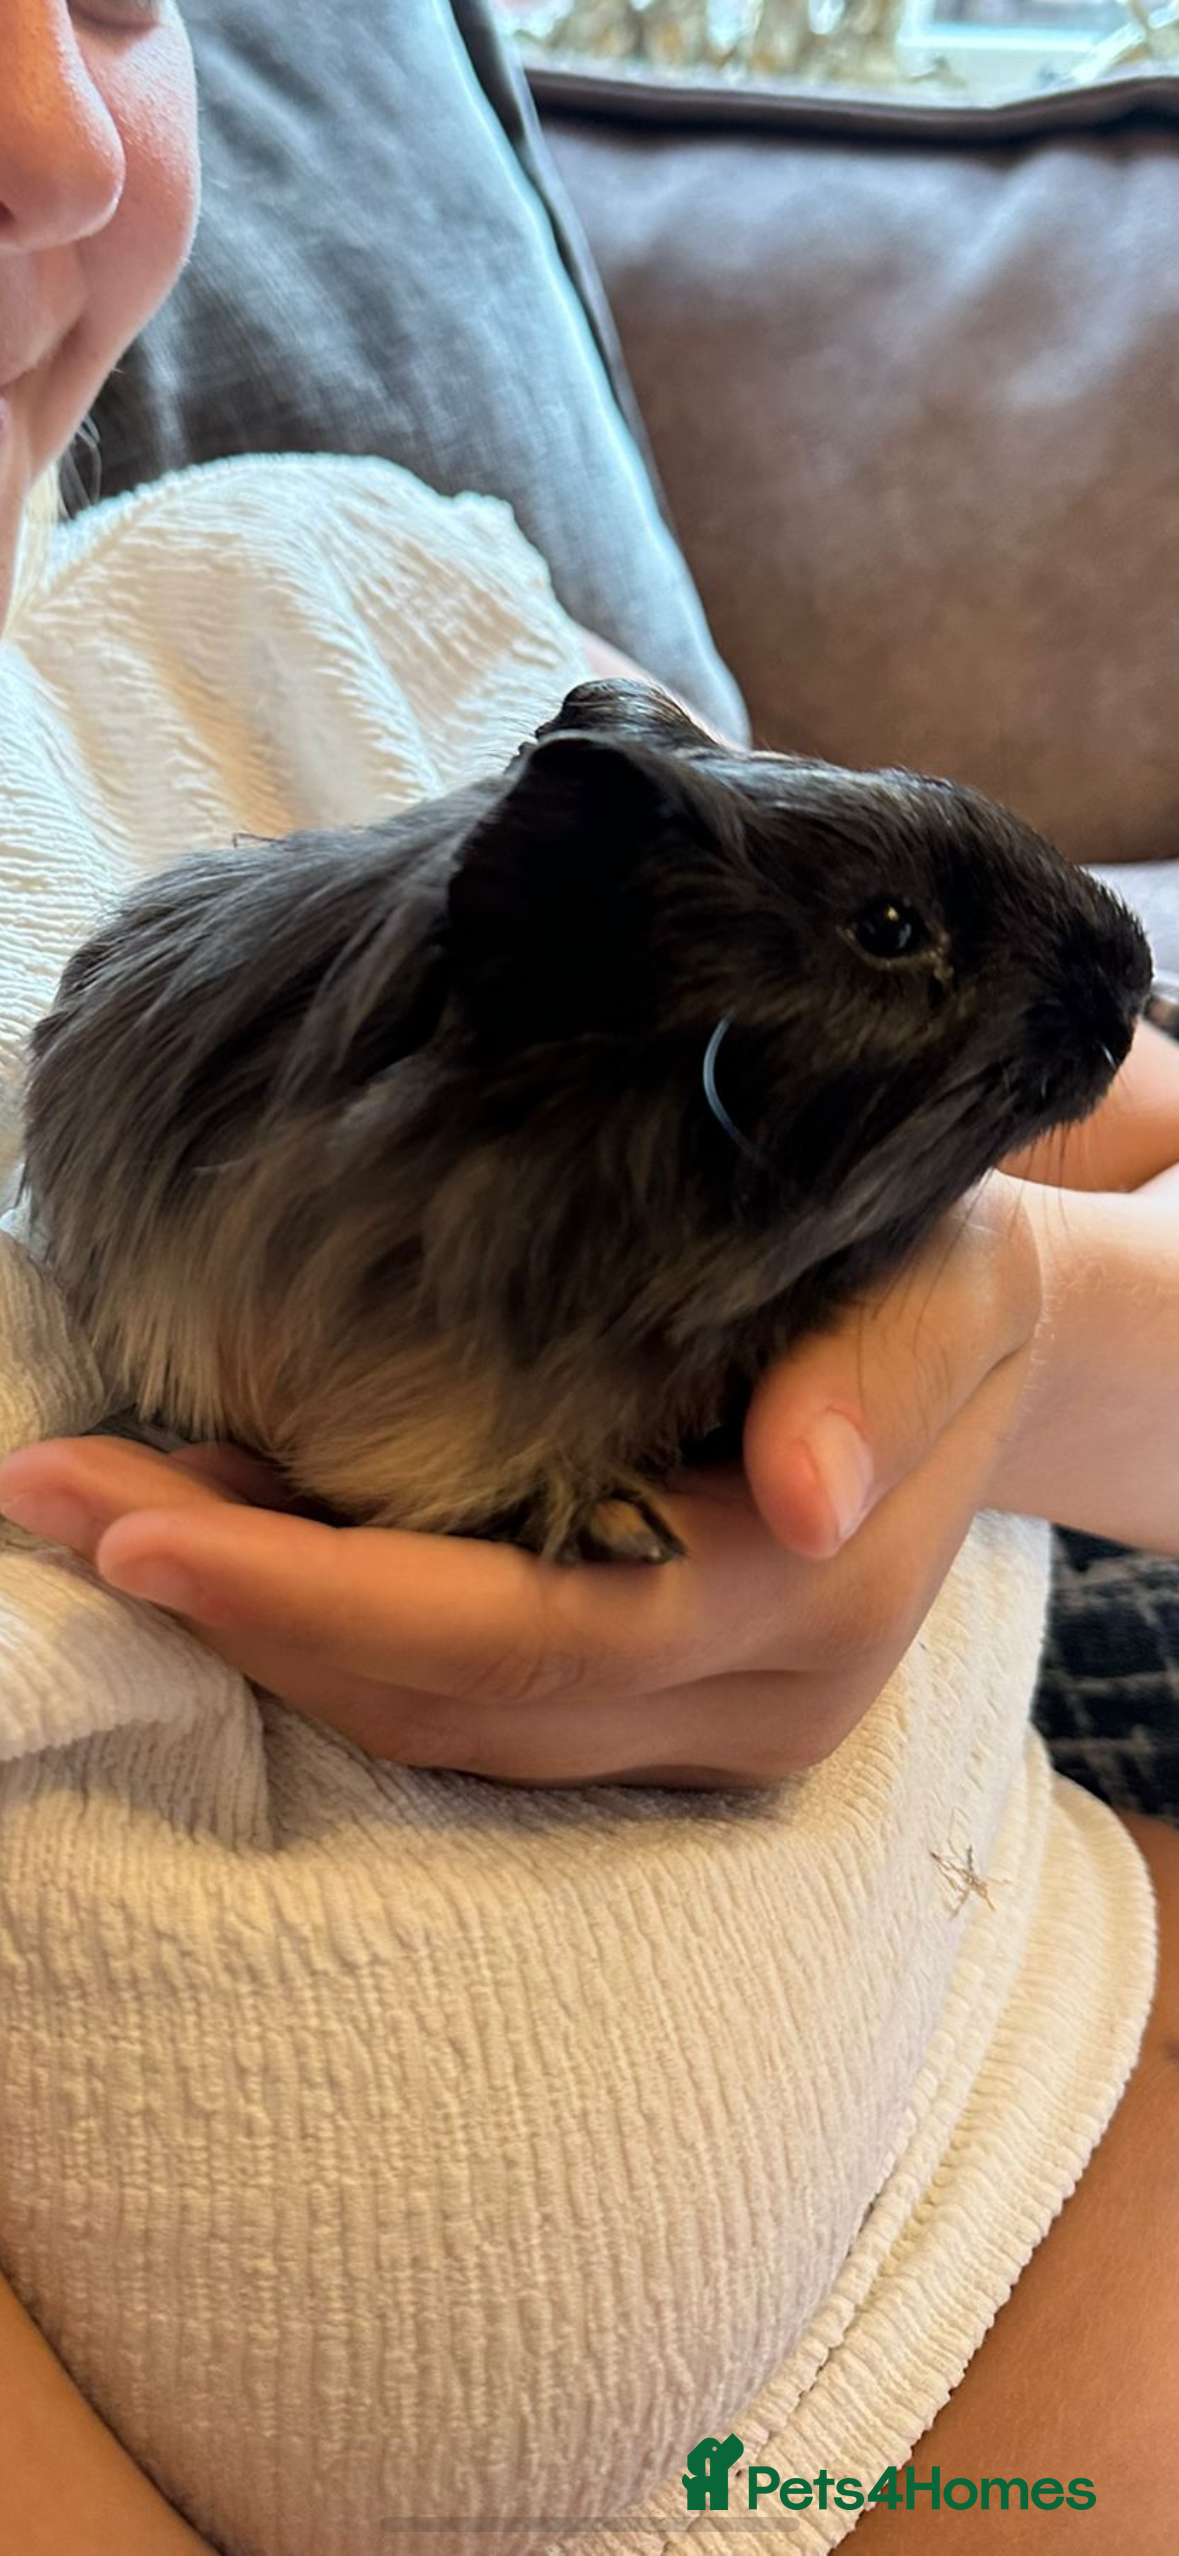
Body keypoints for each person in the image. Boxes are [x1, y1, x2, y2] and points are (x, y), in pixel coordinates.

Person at [0, 6, 1176, 2552]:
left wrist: (1043, 1347)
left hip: (1083, 1929)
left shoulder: (326, 620)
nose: (53, 133)